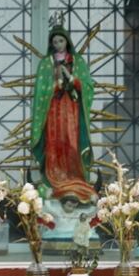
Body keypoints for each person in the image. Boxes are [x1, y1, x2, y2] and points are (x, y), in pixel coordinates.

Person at [30, 22, 97, 203]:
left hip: (72, 111)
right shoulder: (46, 64)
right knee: (54, 143)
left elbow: (88, 87)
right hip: (52, 111)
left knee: (71, 144)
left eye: (61, 40)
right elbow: (40, 92)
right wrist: (56, 85)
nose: (58, 44)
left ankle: (74, 178)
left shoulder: (77, 61)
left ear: (67, 41)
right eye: (55, 41)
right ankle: (54, 181)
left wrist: (73, 80)